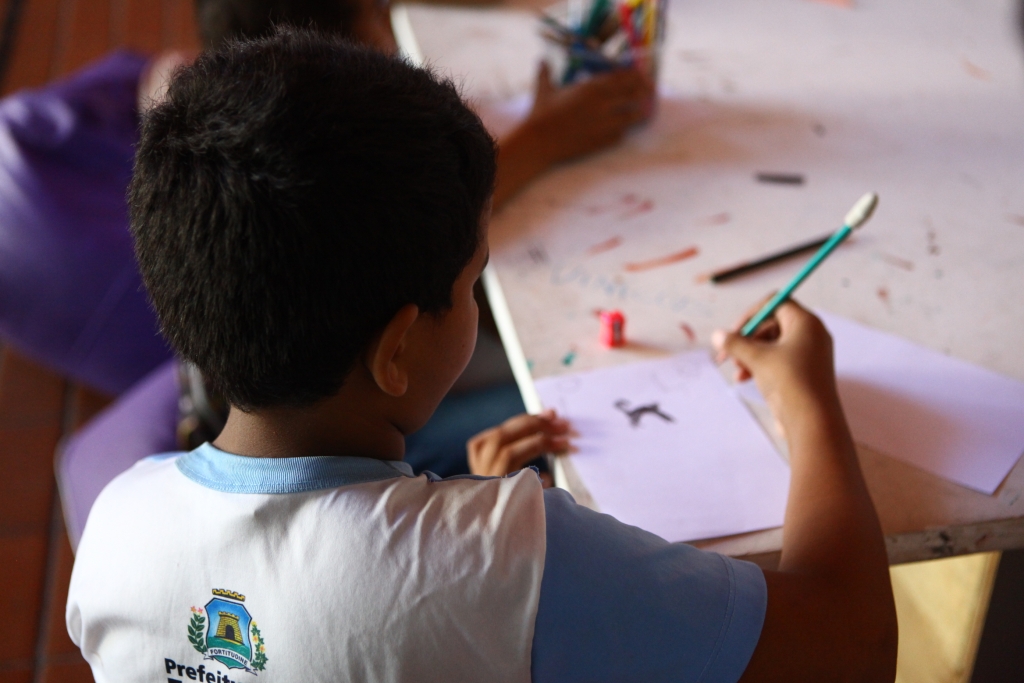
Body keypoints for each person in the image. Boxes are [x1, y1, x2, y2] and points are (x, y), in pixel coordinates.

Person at [68, 29, 896, 682]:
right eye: (474, 283)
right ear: (397, 350)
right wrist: (809, 398)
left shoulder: (116, 527)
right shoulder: (507, 565)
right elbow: (850, 649)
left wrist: (466, 523)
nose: (475, 298)